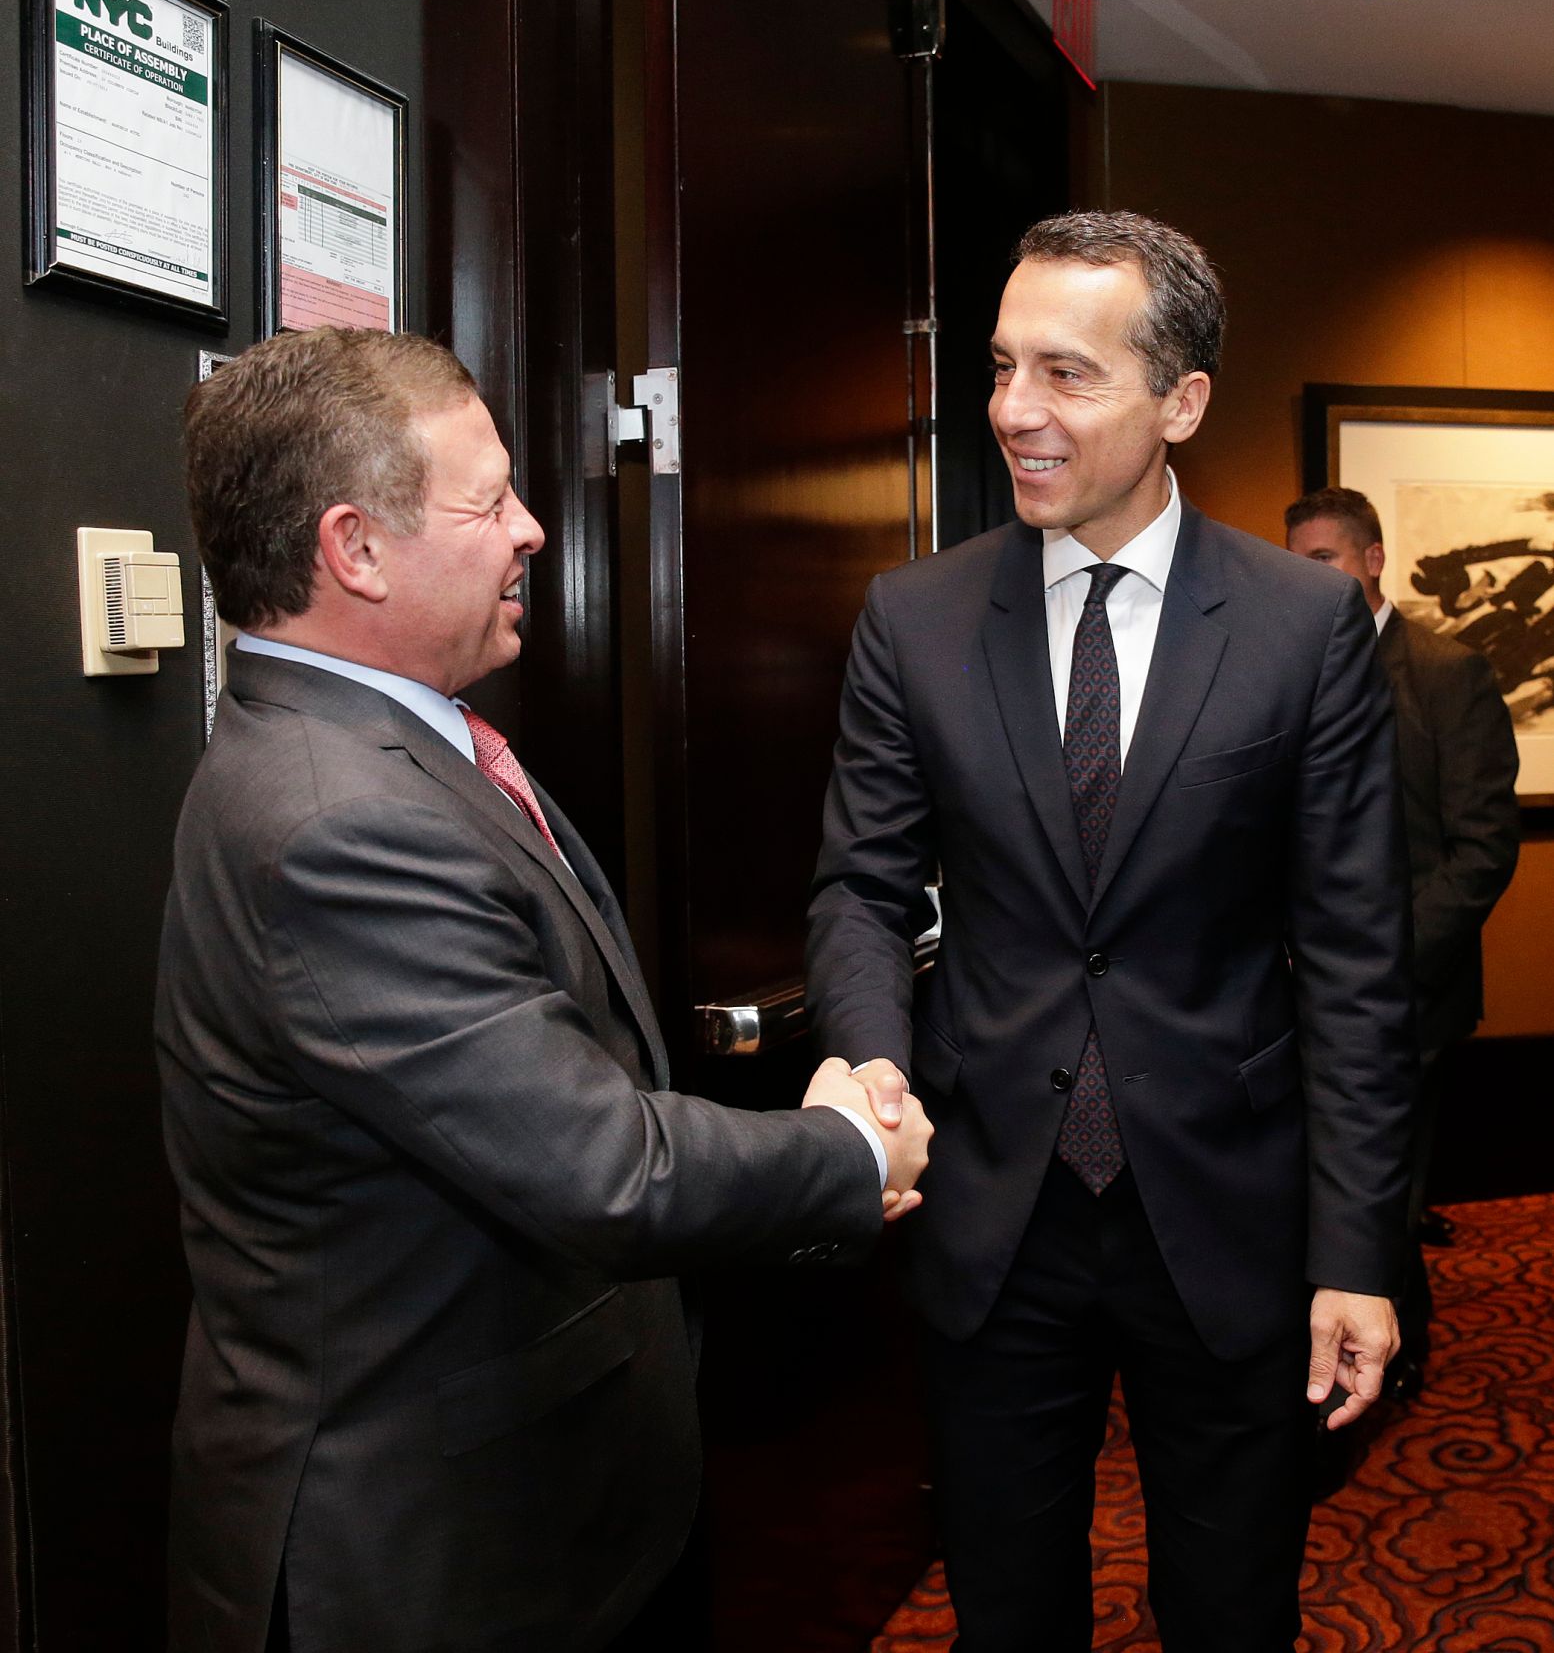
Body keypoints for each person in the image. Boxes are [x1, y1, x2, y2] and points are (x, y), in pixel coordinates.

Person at [156, 327, 932, 1653]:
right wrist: (848, 1152)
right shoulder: (342, 819)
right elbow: (599, 1163)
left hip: (520, 1504)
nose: (530, 527)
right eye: (490, 500)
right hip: (422, 1555)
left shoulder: (380, 747)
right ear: (356, 548)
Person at [806, 212, 1416, 1652]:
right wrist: (872, 1063)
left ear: (1180, 401)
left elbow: (1354, 963)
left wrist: (1357, 1249)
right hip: (990, 1212)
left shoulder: (1301, 626)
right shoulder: (913, 618)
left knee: (1230, 1606)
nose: (1014, 408)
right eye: (1003, 366)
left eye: (1066, 373)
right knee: (1006, 1611)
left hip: (1227, 1215)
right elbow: (860, 889)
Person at [1286, 485, 1519, 1394]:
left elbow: (1482, 848)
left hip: (1413, 990)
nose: (1310, 581)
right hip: (1291, 990)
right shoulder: (1289, 664)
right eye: (1296, 565)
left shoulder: (1447, 671)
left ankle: (1389, 1355)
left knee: (1388, 1181)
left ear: (1373, 559)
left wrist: (1377, 963)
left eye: (1325, 561)